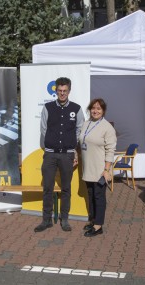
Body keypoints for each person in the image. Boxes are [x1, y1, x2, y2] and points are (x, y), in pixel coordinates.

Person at [35, 77, 85, 233]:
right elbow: (44, 129)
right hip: (50, 155)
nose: (62, 93)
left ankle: (64, 219)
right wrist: (53, 141)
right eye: (59, 91)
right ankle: (46, 220)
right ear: (55, 91)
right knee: (47, 188)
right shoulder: (48, 107)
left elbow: (79, 129)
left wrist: (72, 148)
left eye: (65, 91)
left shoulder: (76, 108)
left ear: (69, 91)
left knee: (66, 188)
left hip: (67, 155)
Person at [79, 98, 117, 237]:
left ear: (103, 111)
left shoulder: (107, 127)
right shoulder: (87, 123)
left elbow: (110, 150)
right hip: (88, 168)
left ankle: (98, 226)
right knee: (91, 195)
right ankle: (93, 220)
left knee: (99, 197)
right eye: (93, 108)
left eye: (98, 109)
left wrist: (106, 170)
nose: (95, 111)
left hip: (101, 169)